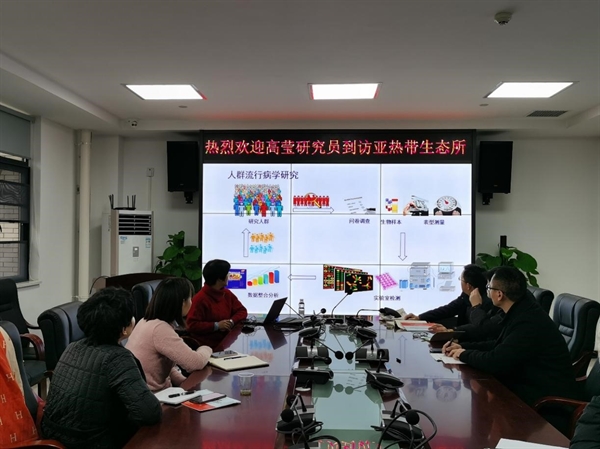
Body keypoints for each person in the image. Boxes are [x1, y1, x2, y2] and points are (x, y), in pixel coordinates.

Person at [42, 288, 162, 449]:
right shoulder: (118, 358)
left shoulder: (73, 347)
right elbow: (149, 413)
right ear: (124, 328)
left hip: (51, 437)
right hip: (87, 442)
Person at [444, 266, 578, 406]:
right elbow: (499, 344)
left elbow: (495, 361)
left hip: (545, 401)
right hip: (528, 385)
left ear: (499, 294)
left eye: (489, 288)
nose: (487, 292)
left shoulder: (528, 322)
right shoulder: (519, 310)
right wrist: (463, 347)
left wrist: (463, 354)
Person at [127, 277, 213, 391]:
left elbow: (165, 367)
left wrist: (184, 383)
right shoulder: (160, 329)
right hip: (154, 396)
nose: (191, 302)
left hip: (148, 393)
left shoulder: (145, 321)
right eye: (190, 298)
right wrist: (207, 348)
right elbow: (195, 363)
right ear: (182, 303)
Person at [186, 259, 248, 348]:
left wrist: (231, 321)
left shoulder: (226, 293)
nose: (228, 276)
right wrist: (216, 326)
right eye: (227, 274)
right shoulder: (200, 299)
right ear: (219, 279)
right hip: (206, 348)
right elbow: (192, 325)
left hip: (226, 343)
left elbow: (242, 311)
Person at [404, 264, 489, 327]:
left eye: (461, 279)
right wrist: (420, 317)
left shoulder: (486, 302)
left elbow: (479, 328)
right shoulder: (466, 296)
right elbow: (448, 309)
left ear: (468, 286)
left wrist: (476, 307)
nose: (460, 282)